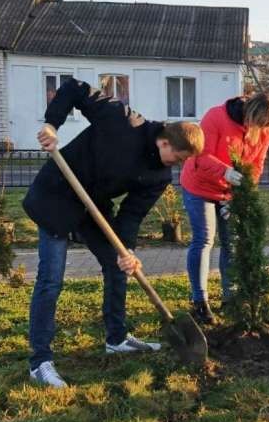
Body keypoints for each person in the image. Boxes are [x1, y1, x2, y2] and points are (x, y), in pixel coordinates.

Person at [24, 78, 204, 389]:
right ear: (164, 142)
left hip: (92, 205)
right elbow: (73, 89)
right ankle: (40, 362)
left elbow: (132, 215)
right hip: (56, 195)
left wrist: (127, 251)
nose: (178, 165)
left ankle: (117, 338)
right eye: (178, 158)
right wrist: (52, 125)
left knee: (118, 263)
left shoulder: (158, 175)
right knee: (51, 280)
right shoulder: (122, 121)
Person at [179, 91, 269, 323]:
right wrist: (225, 171)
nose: (261, 129)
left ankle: (230, 298)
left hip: (228, 192)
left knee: (231, 243)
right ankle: (199, 301)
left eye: (266, 126)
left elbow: (256, 165)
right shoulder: (215, 118)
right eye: (259, 123)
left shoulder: (263, 130)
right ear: (250, 112)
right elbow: (200, 156)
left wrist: (240, 196)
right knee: (204, 240)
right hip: (199, 187)